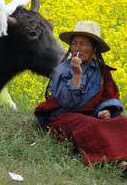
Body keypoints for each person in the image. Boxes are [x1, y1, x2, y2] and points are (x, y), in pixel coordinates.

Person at [34, 21, 127, 176]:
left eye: (83, 44)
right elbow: (68, 103)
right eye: (74, 44)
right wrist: (77, 74)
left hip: (93, 115)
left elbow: (110, 95)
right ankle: (118, 163)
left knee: (122, 121)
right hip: (64, 115)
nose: (77, 48)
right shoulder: (63, 69)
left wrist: (107, 110)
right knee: (92, 126)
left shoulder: (101, 70)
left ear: (94, 49)